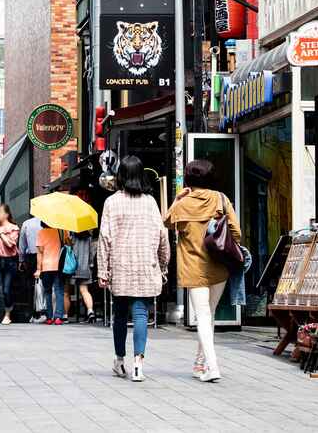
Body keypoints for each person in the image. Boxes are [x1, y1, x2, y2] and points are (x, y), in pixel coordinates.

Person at [164, 159, 241, 383]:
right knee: (210, 315)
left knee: (203, 316)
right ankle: (201, 363)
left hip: (193, 267)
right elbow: (236, 232)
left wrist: (177, 199)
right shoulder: (221, 199)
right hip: (218, 264)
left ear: (189, 179)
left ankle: (213, 366)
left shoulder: (182, 204)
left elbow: (167, 221)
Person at [98, 155, 170, 382]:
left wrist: (102, 270)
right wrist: (163, 264)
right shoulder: (150, 201)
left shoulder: (111, 202)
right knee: (140, 314)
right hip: (145, 265)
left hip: (120, 266)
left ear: (120, 176)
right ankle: (138, 363)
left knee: (119, 315)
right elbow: (162, 236)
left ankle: (120, 361)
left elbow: (105, 238)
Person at [35, 222, 68, 325]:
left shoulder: (41, 233)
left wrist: (38, 269)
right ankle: (58, 317)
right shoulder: (62, 231)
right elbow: (69, 244)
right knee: (59, 292)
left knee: (47, 292)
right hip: (59, 266)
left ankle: (49, 317)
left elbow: (40, 252)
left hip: (46, 266)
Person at [19, 215, 46, 322]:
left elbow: (22, 243)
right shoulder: (48, 223)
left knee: (31, 285)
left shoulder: (26, 223)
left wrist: (21, 259)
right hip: (46, 255)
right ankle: (44, 311)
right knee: (44, 284)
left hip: (31, 257)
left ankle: (32, 313)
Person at [70, 230, 96, 323]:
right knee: (84, 291)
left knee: (66, 291)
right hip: (85, 267)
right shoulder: (89, 237)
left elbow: (70, 249)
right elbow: (92, 252)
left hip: (73, 267)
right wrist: (91, 264)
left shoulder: (72, 236)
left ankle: (64, 315)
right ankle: (90, 311)